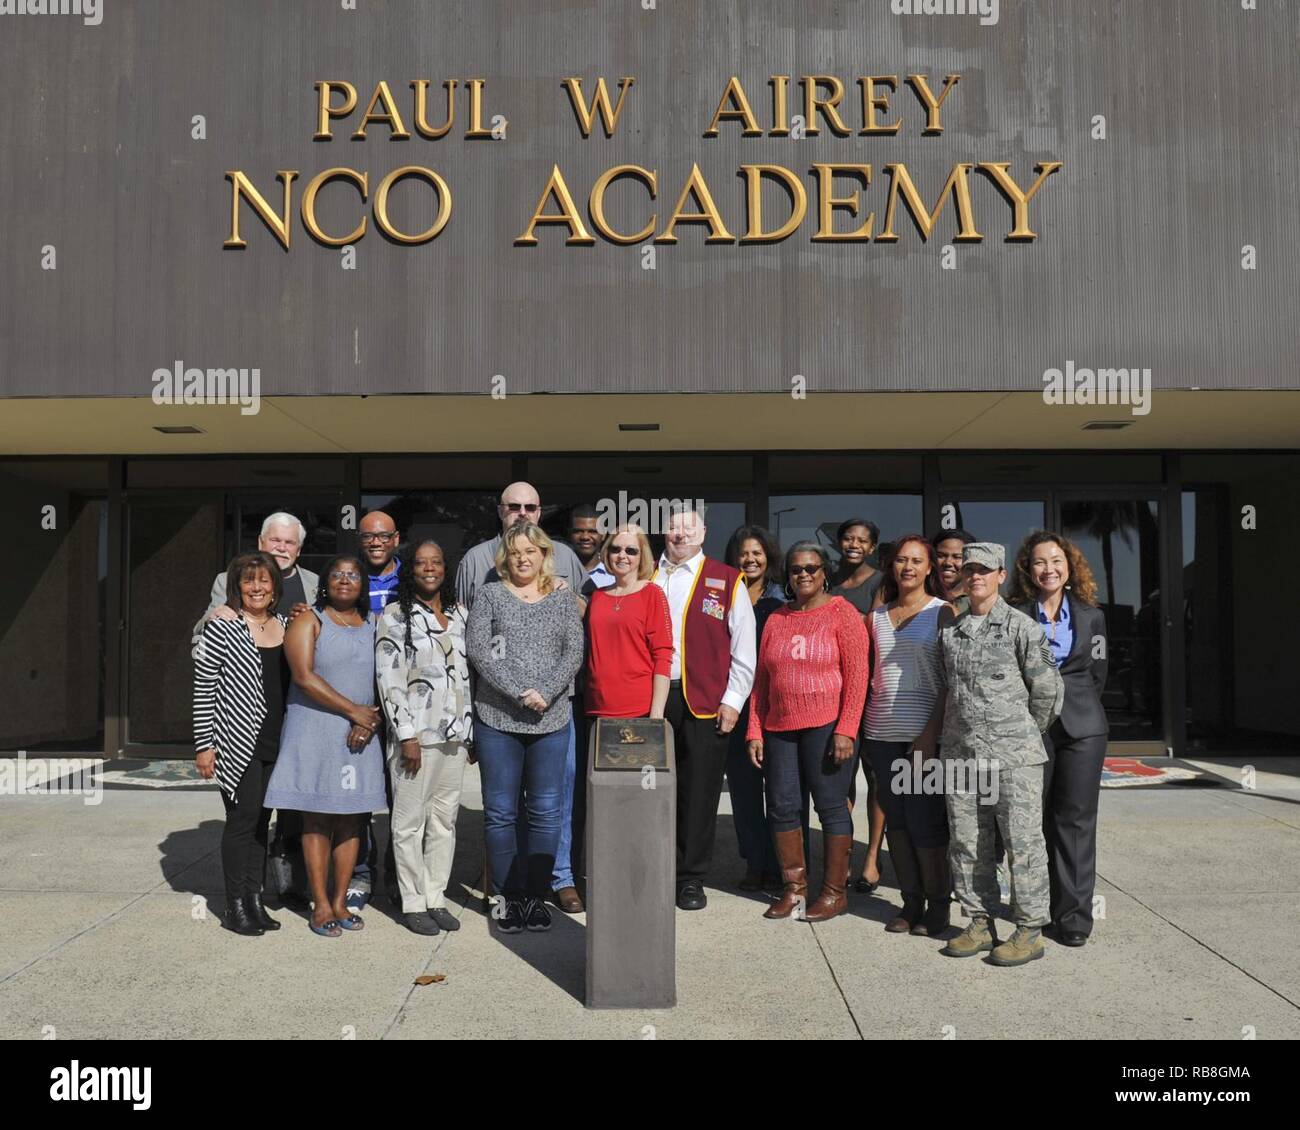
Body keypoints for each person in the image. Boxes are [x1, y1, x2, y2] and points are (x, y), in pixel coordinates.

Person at [457, 482, 588, 912]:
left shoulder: (561, 597)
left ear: (544, 555)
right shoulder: (491, 593)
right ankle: (507, 894)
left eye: (532, 552)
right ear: (505, 557)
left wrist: (546, 692)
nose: (524, 558)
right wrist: (517, 691)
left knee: (547, 810)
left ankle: (537, 893)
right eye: (516, 553)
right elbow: (477, 649)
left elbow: (575, 650)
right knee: (499, 812)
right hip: (497, 718)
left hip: (551, 719)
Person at [935, 543, 1063, 967]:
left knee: (1023, 842)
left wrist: (1025, 732)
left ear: (1001, 576)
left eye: (984, 570)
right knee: (968, 841)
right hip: (961, 754)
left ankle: (1029, 929)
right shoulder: (950, 633)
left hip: (1014, 757)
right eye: (969, 569)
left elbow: (1047, 690)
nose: (975, 576)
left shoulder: (1022, 628)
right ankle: (978, 921)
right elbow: (947, 690)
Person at [746, 542, 869, 921]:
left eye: (811, 568)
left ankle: (834, 894)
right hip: (779, 727)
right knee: (782, 807)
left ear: (824, 572)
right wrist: (755, 728)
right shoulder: (777, 619)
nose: (803, 574)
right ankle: (795, 890)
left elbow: (858, 676)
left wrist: (846, 728)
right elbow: (761, 682)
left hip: (827, 725)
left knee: (831, 807)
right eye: (796, 569)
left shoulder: (842, 614)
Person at [264, 556, 386, 937]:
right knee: (317, 818)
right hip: (315, 729)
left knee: (352, 818)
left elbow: (385, 681)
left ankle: (339, 900)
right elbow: (303, 677)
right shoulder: (308, 619)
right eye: (337, 574)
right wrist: (355, 712)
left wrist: (368, 721)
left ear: (363, 585)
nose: (345, 580)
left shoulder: (374, 625)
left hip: (359, 734)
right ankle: (319, 905)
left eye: (353, 575)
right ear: (326, 583)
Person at [653, 507, 756, 911]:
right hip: (654, 700)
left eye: (688, 528)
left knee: (699, 792)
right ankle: (656, 867)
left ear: (704, 533)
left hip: (705, 701)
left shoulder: (728, 579)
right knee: (652, 789)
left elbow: (744, 646)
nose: (680, 534)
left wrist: (733, 700)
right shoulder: (648, 574)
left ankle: (690, 878)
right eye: (673, 527)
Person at [1012, 531, 1110, 948]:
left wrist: (1077, 708)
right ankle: (1035, 909)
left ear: (1069, 567)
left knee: (1074, 822)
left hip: (1083, 729)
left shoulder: (1091, 616)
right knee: (1031, 821)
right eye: (1039, 561)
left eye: (1056, 560)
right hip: (1030, 730)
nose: (1048, 568)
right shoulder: (1014, 613)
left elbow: (1098, 674)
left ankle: (1073, 919)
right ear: (1027, 570)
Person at [376, 541, 473, 937]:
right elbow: (389, 679)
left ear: (445, 569)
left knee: (444, 822)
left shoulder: (459, 614)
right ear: (410, 569)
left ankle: (436, 897)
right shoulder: (394, 616)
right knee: (408, 825)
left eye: (436, 562)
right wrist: (406, 735)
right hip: (416, 737)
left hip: (455, 735)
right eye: (421, 563)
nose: (429, 568)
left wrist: (471, 732)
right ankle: (413, 901)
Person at [193, 551, 289, 936]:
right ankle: (235, 906)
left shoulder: (284, 625)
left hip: (276, 739)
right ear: (237, 587)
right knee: (242, 820)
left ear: (274, 586)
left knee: (262, 822)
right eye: (249, 581)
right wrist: (204, 745)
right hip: (237, 740)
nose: (256, 588)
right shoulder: (222, 627)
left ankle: (255, 900)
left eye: (264, 580)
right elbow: (203, 688)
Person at [862, 535, 952, 936]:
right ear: (892, 566)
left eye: (917, 560)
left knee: (926, 823)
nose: (908, 567)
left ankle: (938, 907)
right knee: (895, 822)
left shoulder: (942, 612)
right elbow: (870, 677)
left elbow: (951, 682)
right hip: (880, 733)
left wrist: (929, 736)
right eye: (901, 560)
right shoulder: (876, 616)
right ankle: (910, 902)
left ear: (930, 568)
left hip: (923, 738)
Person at [723, 524, 788, 891]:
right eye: (743, 553)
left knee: (779, 792)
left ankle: (781, 866)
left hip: (773, 708)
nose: (750, 559)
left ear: (768, 557)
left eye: (757, 552)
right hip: (736, 706)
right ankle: (755, 863)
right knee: (744, 792)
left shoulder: (780, 604)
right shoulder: (721, 598)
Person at [349, 510, 403, 911]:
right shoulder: (347, 577)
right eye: (368, 536)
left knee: (403, 795)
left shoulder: (414, 577)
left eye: (383, 536)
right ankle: (360, 873)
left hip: (403, 700)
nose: (375, 542)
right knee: (360, 797)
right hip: (358, 699)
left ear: (395, 539)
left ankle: (399, 875)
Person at [831, 518, 886, 895]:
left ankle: (871, 862)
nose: (854, 544)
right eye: (848, 539)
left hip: (873, 694)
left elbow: (876, 634)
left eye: (861, 540)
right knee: (841, 782)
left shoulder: (881, 583)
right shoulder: (829, 580)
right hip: (834, 694)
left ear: (871, 548)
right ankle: (843, 858)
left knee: (878, 781)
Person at [583, 524, 672, 720]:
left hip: (638, 709)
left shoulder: (652, 593)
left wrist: (656, 713)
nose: (622, 556)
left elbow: (663, 655)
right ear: (607, 553)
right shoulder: (597, 596)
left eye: (631, 551)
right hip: (596, 707)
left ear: (642, 557)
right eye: (616, 549)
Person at [190, 511, 318, 643]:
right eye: (275, 540)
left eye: (289, 542)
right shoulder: (228, 579)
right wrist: (213, 617)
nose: (281, 548)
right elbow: (200, 629)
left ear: (298, 550)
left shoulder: (315, 583)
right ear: (260, 542)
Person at [569, 502, 616, 590]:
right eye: (578, 531)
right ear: (570, 533)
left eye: (592, 531)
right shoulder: (558, 571)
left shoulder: (614, 576)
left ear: (603, 534)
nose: (585, 537)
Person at [932, 528, 976, 610]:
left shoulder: (979, 601)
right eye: (941, 555)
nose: (948, 562)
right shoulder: (920, 598)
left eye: (957, 557)